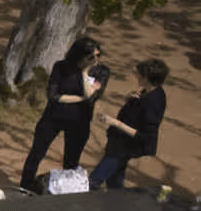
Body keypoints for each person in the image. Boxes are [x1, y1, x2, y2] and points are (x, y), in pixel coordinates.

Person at [20, 36, 109, 189]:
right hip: (53, 117)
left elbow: (91, 97)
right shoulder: (61, 67)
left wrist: (85, 72)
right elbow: (53, 95)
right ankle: (25, 186)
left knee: (71, 162)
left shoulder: (102, 72)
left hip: (79, 121)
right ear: (79, 55)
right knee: (36, 153)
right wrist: (80, 98)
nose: (96, 60)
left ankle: (65, 190)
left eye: (98, 56)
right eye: (91, 57)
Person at [92, 59, 171, 189]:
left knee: (94, 180)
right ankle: (118, 198)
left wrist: (115, 123)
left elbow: (145, 135)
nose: (136, 76)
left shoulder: (154, 102)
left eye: (139, 74)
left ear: (146, 78)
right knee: (115, 180)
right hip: (120, 142)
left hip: (125, 147)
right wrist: (129, 98)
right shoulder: (150, 91)